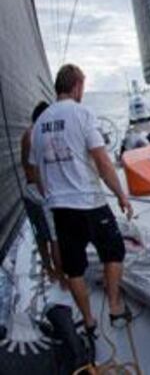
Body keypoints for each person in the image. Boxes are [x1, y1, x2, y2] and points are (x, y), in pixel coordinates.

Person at [29, 64, 134, 347]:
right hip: (90, 202)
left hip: (61, 209)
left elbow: (37, 174)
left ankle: (88, 322)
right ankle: (114, 308)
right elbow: (102, 161)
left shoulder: (38, 125)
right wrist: (121, 195)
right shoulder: (82, 114)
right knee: (114, 251)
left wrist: (52, 196)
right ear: (76, 86)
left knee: (74, 268)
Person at [20, 101, 62, 282]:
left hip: (29, 191)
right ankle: (60, 276)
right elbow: (40, 170)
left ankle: (49, 269)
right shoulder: (37, 134)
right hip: (40, 193)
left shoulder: (28, 133)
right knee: (54, 237)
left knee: (41, 235)